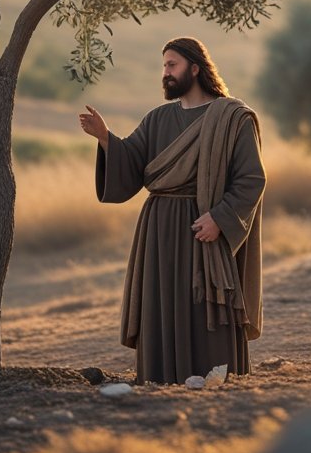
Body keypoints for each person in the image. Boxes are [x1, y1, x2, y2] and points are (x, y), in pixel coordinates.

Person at [78, 37, 265, 384]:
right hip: (159, 229)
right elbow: (132, 163)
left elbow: (251, 179)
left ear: (195, 68)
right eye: (164, 65)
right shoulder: (157, 119)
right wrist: (105, 138)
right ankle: (163, 376)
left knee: (207, 302)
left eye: (172, 65)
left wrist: (220, 219)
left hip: (205, 228)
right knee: (162, 302)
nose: (165, 72)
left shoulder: (232, 118)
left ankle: (215, 375)